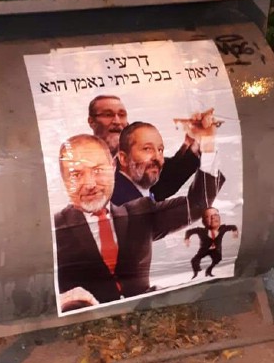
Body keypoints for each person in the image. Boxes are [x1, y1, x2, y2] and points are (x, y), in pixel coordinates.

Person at [54, 132, 216, 312]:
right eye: (76, 174)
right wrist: (60, 300)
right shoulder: (52, 229)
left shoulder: (140, 212)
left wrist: (208, 146)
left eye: (97, 170)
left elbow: (198, 203)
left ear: (113, 167)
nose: (90, 184)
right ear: (64, 179)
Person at [88, 95, 215, 203]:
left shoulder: (140, 167)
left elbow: (167, 179)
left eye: (122, 115)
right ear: (91, 121)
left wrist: (196, 141)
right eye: (108, 115)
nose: (117, 121)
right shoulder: (84, 166)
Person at [113, 119, 225, 207]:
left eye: (160, 150)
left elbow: (167, 176)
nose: (157, 157)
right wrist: (207, 143)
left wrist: (192, 144)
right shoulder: (127, 203)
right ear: (123, 158)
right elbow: (195, 207)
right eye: (147, 149)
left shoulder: (136, 182)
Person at [184, 207, 238, 279]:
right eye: (208, 217)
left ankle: (209, 271)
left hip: (215, 250)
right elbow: (189, 231)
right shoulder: (201, 230)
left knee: (218, 258)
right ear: (203, 221)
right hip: (204, 249)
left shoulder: (223, 228)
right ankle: (196, 273)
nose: (213, 218)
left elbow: (233, 226)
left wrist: (235, 231)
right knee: (194, 260)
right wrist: (187, 238)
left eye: (215, 215)